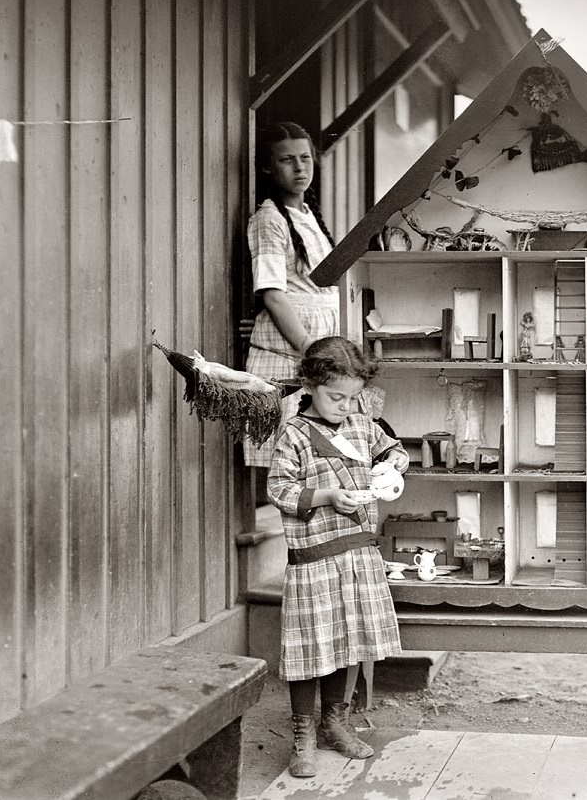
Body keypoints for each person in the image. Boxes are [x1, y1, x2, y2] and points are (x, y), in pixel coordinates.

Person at [268, 336, 410, 778]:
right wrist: (327, 494)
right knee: (310, 647)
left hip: (358, 554)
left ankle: (335, 722)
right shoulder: (294, 433)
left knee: (346, 643)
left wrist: (394, 464)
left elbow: (393, 448)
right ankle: (303, 734)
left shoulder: (363, 426)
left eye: (353, 398)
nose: (345, 406)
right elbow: (278, 488)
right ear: (310, 385)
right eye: (335, 397)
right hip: (314, 558)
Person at [244, 122, 340, 468]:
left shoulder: (308, 214)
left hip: (322, 340)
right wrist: (310, 349)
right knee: (291, 456)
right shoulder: (269, 219)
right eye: (287, 160)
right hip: (293, 350)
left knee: (323, 455)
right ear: (269, 167)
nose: (300, 168)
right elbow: (272, 295)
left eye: (305, 158)